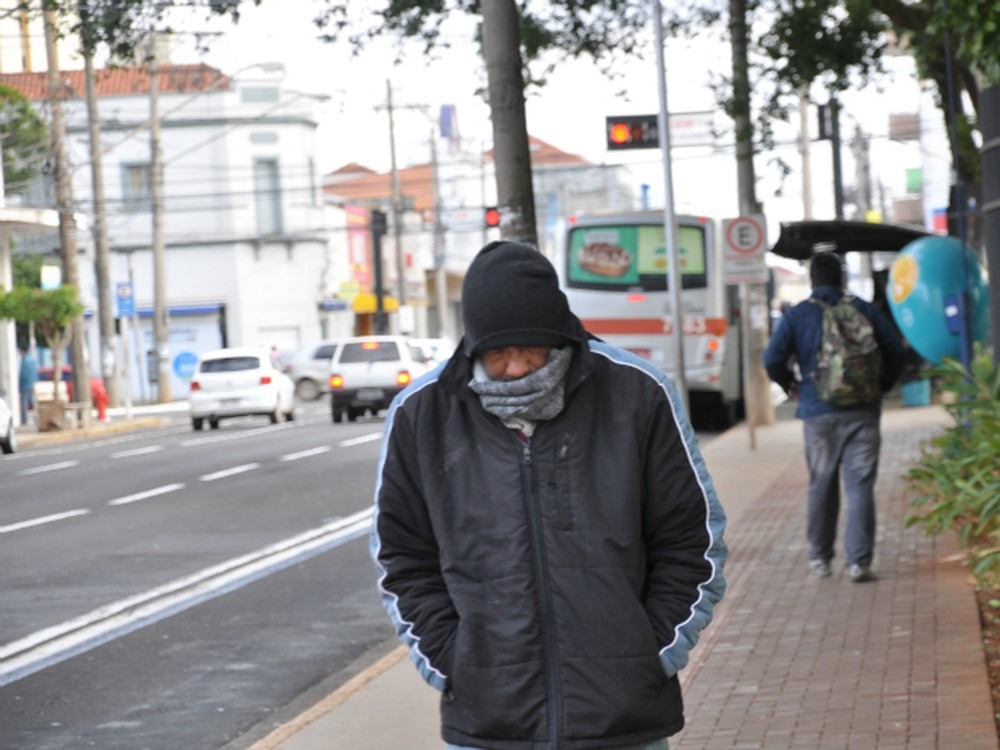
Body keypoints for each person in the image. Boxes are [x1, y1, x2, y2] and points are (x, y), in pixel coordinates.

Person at [371, 240, 728, 750]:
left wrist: (652, 654)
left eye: (531, 349)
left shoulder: (637, 392)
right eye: (498, 352)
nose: (517, 367)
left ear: (559, 335)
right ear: (473, 346)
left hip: (623, 720)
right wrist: (452, 662)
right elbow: (402, 557)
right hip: (489, 723)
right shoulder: (421, 413)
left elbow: (693, 538)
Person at [763, 252, 904, 583]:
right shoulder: (863, 308)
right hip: (863, 410)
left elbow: (772, 359)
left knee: (821, 483)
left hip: (818, 412)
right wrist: (880, 385)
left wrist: (792, 386)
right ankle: (859, 563)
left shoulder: (799, 314)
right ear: (842, 279)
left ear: (812, 281)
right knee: (860, 486)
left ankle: (820, 558)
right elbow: (895, 350)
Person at [17, 346, 38, 425]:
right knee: (32, 401)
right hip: (32, 384)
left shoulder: (25, 360)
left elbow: (23, 374)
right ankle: (36, 417)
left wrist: (19, 385)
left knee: (24, 402)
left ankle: (24, 419)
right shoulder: (31, 359)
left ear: (23, 351)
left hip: (25, 385)